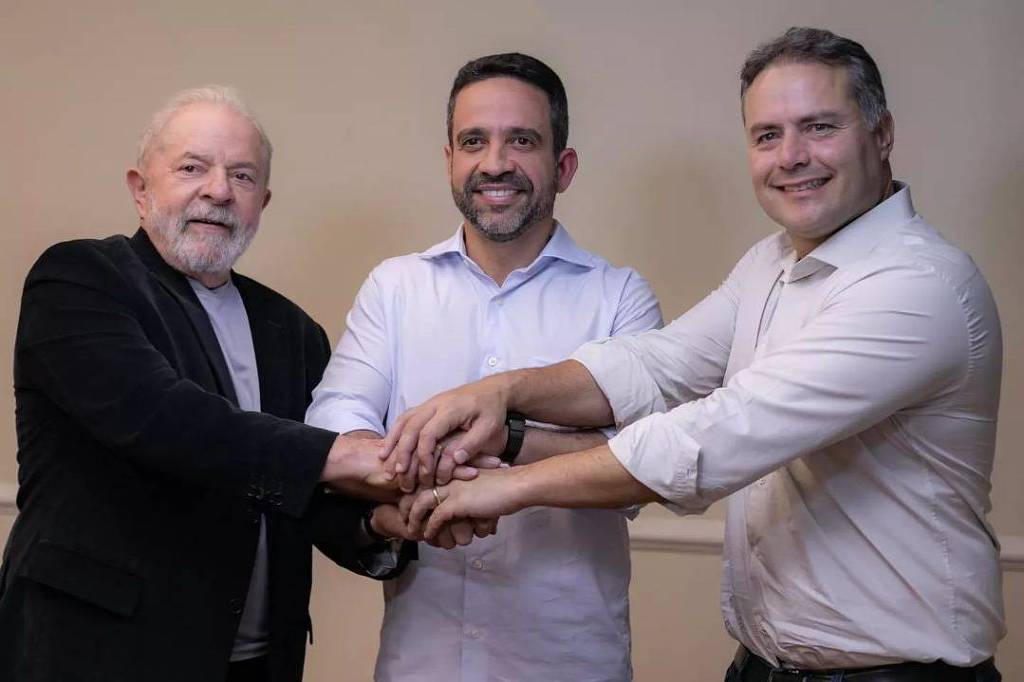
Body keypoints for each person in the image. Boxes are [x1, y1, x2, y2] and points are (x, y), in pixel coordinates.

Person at [389, 28, 1005, 681]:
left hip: (899, 674)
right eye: (768, 135)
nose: (791, 156)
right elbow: (658, 363)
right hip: (763, 665)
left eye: (818, 127)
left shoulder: (916, 287)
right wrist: (501, 393)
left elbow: (715, 436)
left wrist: (505, 487)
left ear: (880, 134)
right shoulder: (770, 263)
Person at [0, 86, 451, 682]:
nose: (218, 190)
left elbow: (294, 488)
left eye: (241, 176)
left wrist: (377, 523)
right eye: (192, 168)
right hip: (96, 654)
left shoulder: (293, 332)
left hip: (256, 661)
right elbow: (165, 421)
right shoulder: (81, 280)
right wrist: (351, 454)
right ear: (140, 189)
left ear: (262, 202)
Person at [305, 53, 661, 681]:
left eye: (522, 140)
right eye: (474, 141)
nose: (495, 163)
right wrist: (435, 467)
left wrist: (508, 439)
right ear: (450, 159)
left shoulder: (620, 296)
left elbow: (639, 466)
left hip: (570, 665)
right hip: (421, 663)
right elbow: (335, 421)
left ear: (564, 165)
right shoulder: (395, 287)